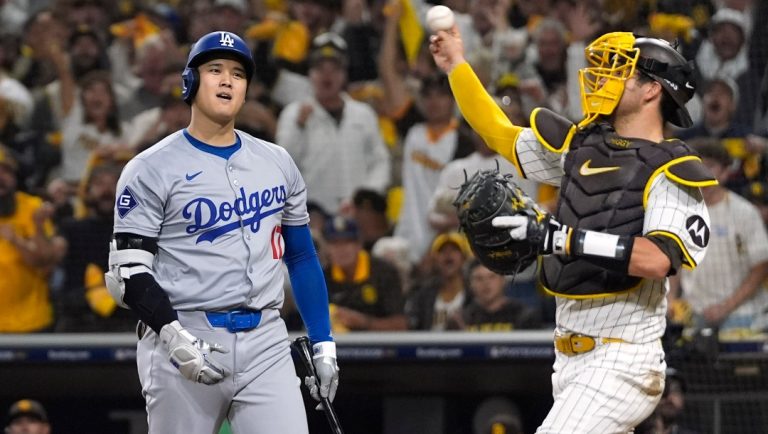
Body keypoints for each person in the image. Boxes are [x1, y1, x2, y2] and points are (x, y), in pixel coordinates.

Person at [430, 26, 715, 432]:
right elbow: (498, 133)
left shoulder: (673, 169)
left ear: (653, 90)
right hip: (567, 359)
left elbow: (656, 260)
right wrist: (457, 64)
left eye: (620, 72)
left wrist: (559, 238)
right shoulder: (582, 145)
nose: (602, 78)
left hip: (623, 359)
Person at [106, 31, 338, 434]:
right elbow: (129, 274)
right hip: (184, 333)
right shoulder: (150, 167)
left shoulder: (277, 161)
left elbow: (300, 256)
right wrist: (174, 338)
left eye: (237, 73)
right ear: (190, 82)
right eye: (214, 70)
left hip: (266, 338)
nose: (227, 80)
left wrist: (324, 341)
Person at [670, 139, 768, 334]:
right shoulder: (679, 212)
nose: (703, 173)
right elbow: (675, 261)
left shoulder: (744, 212)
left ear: (725, 172)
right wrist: (671, 299)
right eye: (697, 166)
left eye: (711, 166)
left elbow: (761, 266)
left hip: (741, 313)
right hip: (695, 312)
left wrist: (726, 307)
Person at [0, 144, 65, 333]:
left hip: (30, 322)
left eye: (6, 171)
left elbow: (44, 261)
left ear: (15, 177)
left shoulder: (32, 207)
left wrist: (17, 240)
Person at [322, 216, 407, 331]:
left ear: (359, 245)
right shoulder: (322, 277)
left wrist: (363, 322)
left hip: (381, 345)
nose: (341, 249)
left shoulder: (383, 273)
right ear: (327, 248)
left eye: (347, 242)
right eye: (334, 243)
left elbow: (401, 325)